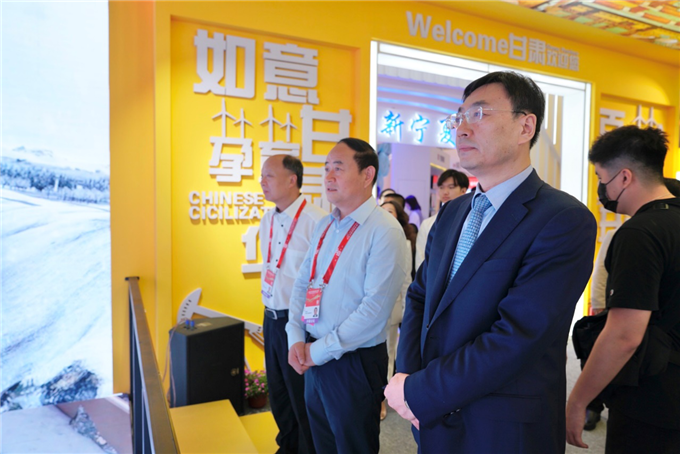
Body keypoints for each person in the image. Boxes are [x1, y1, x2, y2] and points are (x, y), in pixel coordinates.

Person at [385, 71, 597, 454]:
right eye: (458, 117)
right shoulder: (453, 212)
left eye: (479, 114)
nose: (461, 129)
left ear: (525, 126)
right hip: (431, 419)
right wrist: (407, 375)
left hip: (501, 428)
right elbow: (420, 296)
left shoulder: (563, 218)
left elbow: (518, 335)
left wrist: (421, 390)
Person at [286, 138, 407, 454]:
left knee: (353, 446)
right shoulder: (325, 225)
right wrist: (295, 337)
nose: (328, 177)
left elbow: (373, 312)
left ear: (368, 175)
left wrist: (317, 351)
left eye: (338, 169)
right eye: (326, 168)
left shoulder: (385, 230)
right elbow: (302, 284)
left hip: (354, 362)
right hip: (315, 355)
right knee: (322, 443)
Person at [566, 126, 680, 453]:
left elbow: (624, 336)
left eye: (602, 178)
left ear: (625, 177)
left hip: (652, 401)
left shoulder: (639, 234)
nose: (601, 188)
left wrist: (578, 401)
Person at [259, 154, 327, 454]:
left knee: (301, 397)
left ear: (292, 180)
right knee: (278, 393)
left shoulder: (316, 220)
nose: (262, 182)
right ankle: (287, 446)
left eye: (269, 176)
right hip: (271, 318)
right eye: (262, 176)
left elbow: (321, 279)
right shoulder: (267, 219)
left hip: (299, 322)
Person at [380, 200, 414, 420]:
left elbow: (406, 280)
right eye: (382, 211)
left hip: (391, 309)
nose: (386, 214)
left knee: (388, 355)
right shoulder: (370, 236)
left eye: (390, 211)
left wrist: (405, 312)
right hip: (366, 311)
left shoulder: (404, 243)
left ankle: (381, 400)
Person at [415, 169, 469, 270]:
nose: (445, 192)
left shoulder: (471, 221)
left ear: (463, 190)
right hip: (432, 276)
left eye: (451, 187)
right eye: (441, 187)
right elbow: (421, 258)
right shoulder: (428, 223)